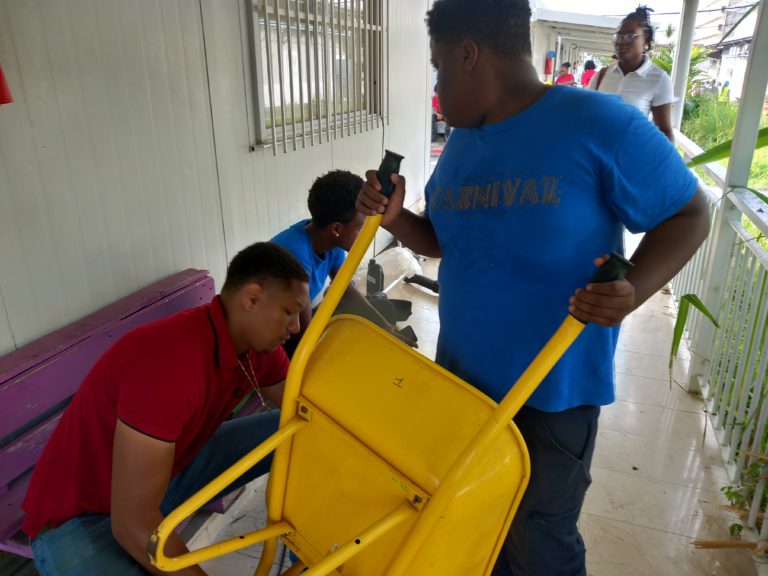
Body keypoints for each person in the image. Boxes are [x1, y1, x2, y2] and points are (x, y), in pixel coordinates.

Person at [356, 0, 710, 574]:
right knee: (475, 523)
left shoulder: (600, 123)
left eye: (439, 67)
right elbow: (445, 240)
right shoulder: (464, 143)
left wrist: (635, 289)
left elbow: (691, 213)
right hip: (462, 385)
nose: (437, 87)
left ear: (468, 55)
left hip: (553, 394)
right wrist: (397, 218)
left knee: (540, 544)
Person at [22, 243, 310, 575]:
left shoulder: (255, 347)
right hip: (77, 520)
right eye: (289, 312)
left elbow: (307, 409)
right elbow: (132, 524)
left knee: (301, 427)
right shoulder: (171, 366)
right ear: (252, 298)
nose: (295, 327)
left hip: (165, 473)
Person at [271, 169, 414, 355]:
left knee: (377, 309)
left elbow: (345, 290)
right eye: (361, 227)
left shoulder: (327, 237)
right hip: (273, 338)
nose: (367, 235)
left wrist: (386, 328)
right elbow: (304, 336)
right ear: (337, 229)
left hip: (294, 323)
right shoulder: (296, 255)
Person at [588, 6, 675, 142]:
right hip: (594, 150)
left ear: (645, 40)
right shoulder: (602, 75)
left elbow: (664, 131)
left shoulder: (658, 79)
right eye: (618, 36)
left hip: (629, 153)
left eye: (630, 36)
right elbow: (586, 113)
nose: (621, 41)